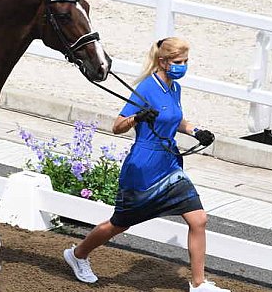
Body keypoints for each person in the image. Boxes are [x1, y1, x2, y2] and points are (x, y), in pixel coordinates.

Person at [63, 37, 228, 292]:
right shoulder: (146, 89)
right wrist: (137, 117)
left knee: (199, 219)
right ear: (162, 61)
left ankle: (198, 284)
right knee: (119, 224)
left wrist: (196, 131)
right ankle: (78, 254)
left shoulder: (174, 88)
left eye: (185, 61)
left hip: (169, 165)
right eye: (178, 62)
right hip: (142, 168)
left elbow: (174, 118)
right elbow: (117, 126)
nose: (183, 66)